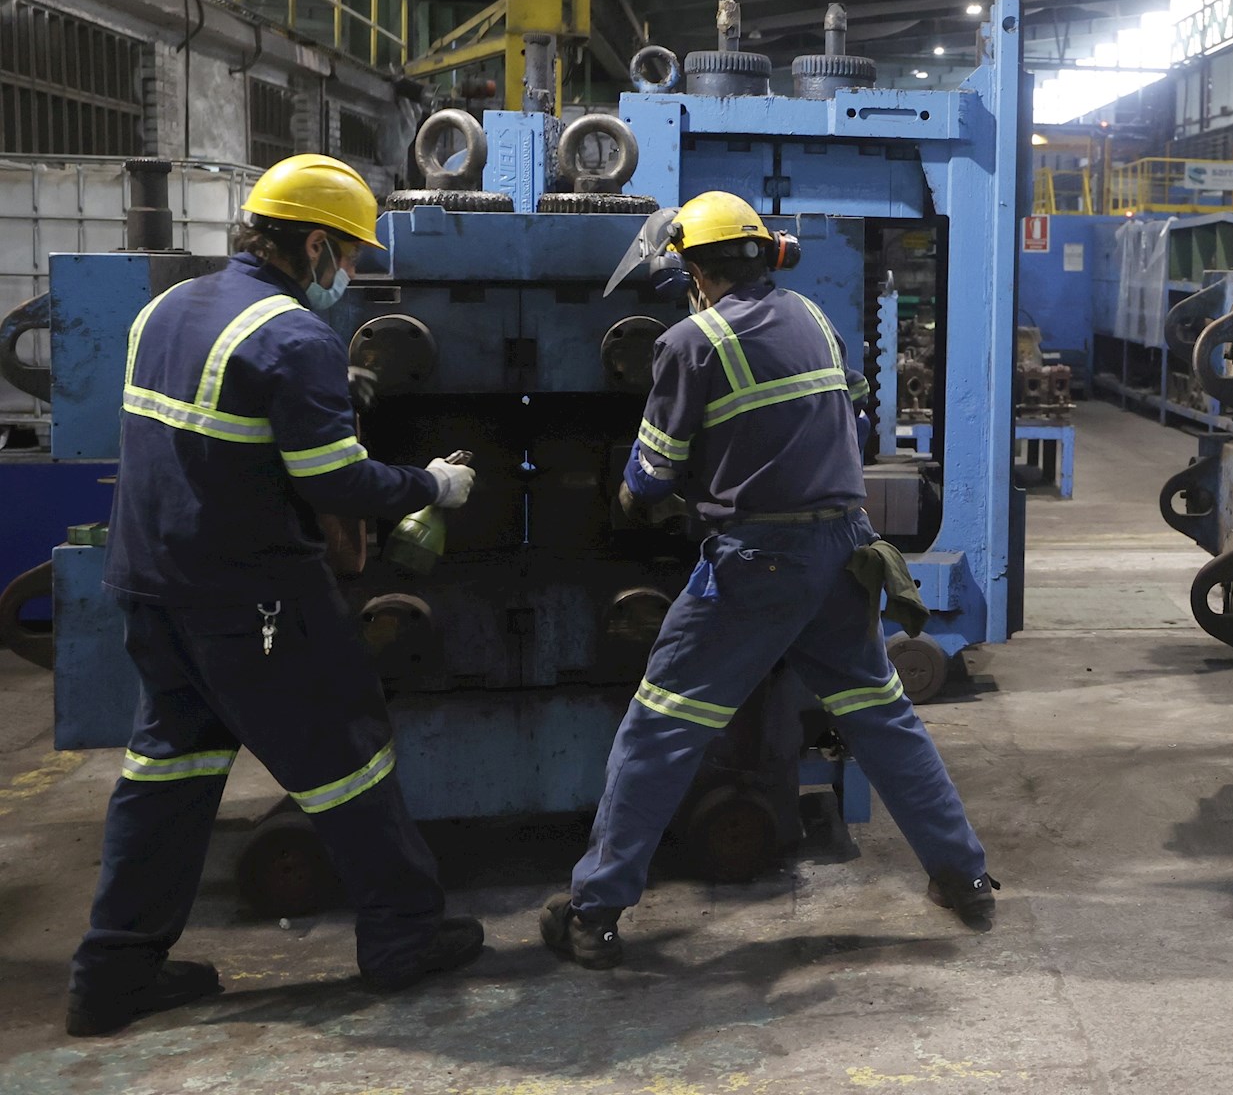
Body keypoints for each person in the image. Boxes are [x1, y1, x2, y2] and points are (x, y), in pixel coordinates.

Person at [66, 154, 485, 1037]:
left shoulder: (166, 308)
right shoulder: (295, 338)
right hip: (248, 596)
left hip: (152, 584)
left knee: (168, 772)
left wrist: (332, 402)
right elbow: (337, 483)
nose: (357, 276)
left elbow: (221, 441)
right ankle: (403, 936)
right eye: (354, 257)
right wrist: (432, 487)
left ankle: (112, 972)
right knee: (345, 752)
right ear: (315, 244)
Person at [542, 191, 995, 969]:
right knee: (881, 716)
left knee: (662, 726)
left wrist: (628, 500)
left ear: (692, 267)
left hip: (756, 567)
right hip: (844, 554)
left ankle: (595, 910)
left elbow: (652, 474)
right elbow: (843, 418)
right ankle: (966, 878)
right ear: (764, 255)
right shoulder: (813, 318)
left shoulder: (692, 341)